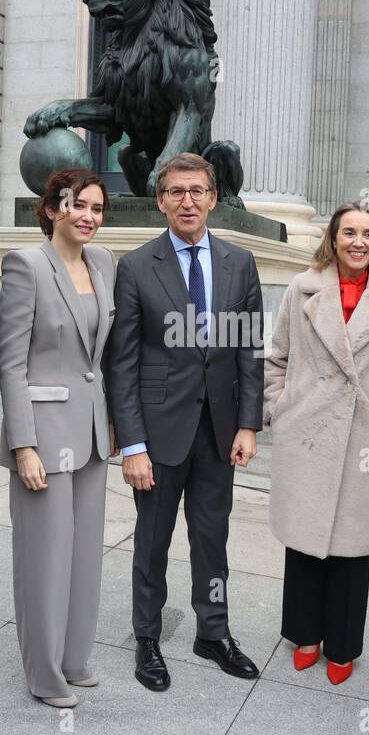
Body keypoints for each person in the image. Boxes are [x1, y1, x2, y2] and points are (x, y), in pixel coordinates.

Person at [107, 151, 264, 692]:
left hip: (219, 431)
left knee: (212, 537)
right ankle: (146, 637)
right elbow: (122, 362)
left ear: (213, 198)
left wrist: (248, 425)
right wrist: (132, 444)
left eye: (197, 191)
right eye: (176, 192)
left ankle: (212, 632)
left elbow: (249, 352)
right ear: (161, 200)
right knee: (152, 539)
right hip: (158, 431)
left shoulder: (239, 264)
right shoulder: (135, 265)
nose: (187, 201)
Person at [264, 204, 369, 686]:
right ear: (333, 237)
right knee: (305, 539)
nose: (359, 242)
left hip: (367, 434)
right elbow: (276, 357)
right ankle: (305, 634)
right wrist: (280, 405)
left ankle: (343, 644)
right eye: (349, 232)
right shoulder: (301, 287)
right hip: (306, 429)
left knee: (352, 545)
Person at [0, 168, 117, 707]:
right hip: (43, 436)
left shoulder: (104, 262)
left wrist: (111, 423)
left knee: (84, 554)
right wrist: (22, 445)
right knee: (45, 557)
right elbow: (11, 364)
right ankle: (44, 675)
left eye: (96, 207)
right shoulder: (27, 265)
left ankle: (74, 659)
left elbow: (100, 358)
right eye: (77, 206)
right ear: (51, 210)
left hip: (92, 430)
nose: (88, 216)